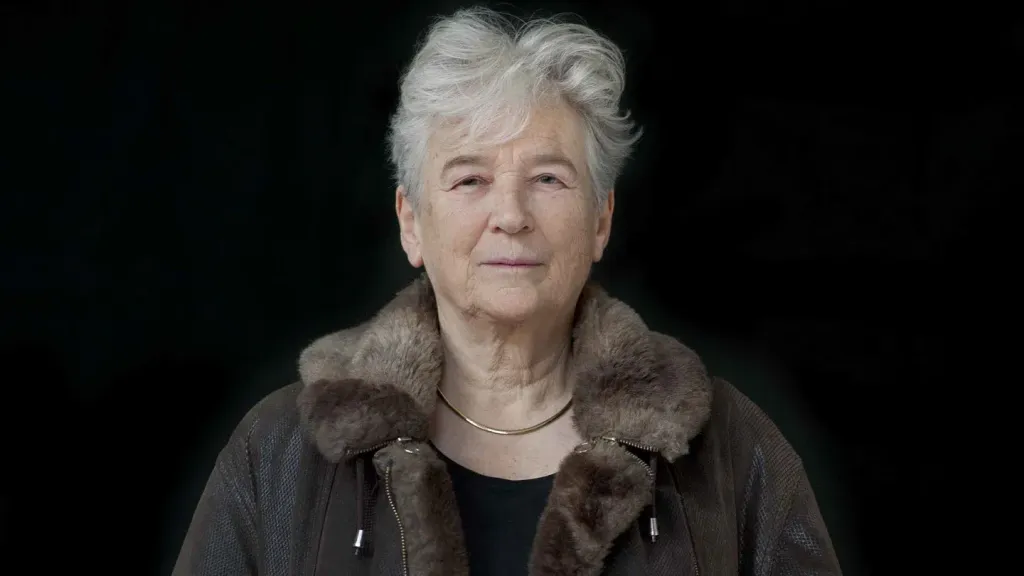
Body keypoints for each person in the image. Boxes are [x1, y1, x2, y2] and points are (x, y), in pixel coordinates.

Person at [172, 7, 842, 576]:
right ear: (411, 222)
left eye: (548, 178)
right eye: (470, 180)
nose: (511, 215)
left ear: (601, 219)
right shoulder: (279, 452)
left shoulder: (727, 447)